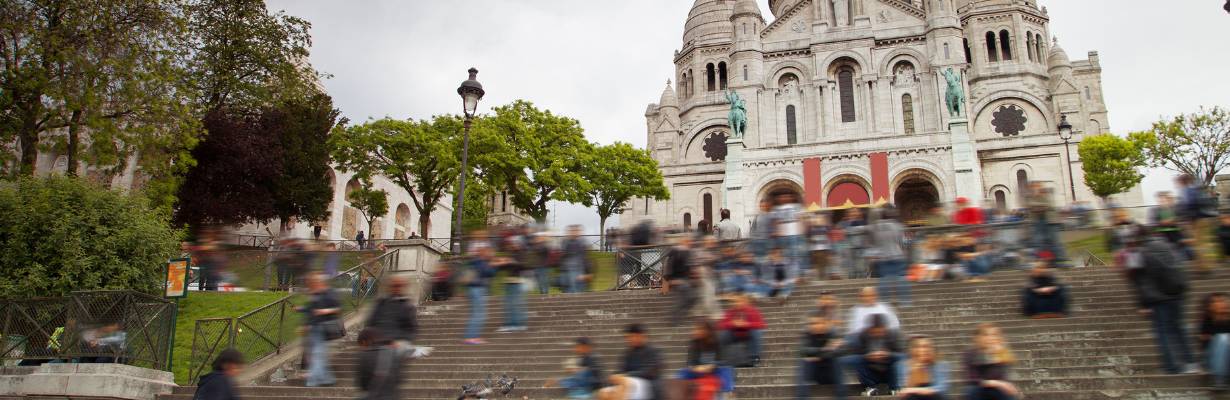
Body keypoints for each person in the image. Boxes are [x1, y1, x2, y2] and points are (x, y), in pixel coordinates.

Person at [1133, 228, 1199, 374]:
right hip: (1177, 293)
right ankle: (1190, 361)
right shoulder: (1169, 246)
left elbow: (1140, 281)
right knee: (1180, 328)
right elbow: (1181, 267)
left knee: (1162, 332)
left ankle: (1172, 366)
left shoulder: (1140, 253)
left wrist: (1143, 304)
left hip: (1158, 298)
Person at [839, 314, 903, 396]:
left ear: (885, 328)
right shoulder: (862, 335)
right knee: (855, 359)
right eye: (874, 332)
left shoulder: (892, 335)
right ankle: (871, 388)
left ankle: (894, 388)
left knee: (898, 359)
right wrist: (867, 356)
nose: (877, 334)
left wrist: (888, 354)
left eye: (880, 331)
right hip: (870, 371)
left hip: (889, 371)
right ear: (870, 329)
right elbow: (856, 354)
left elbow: (902, 355)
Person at [300, 272, 341, 387]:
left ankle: (313, 380)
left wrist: (324, 311)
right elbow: (311, 311)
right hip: (315, 327)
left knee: (318, 353)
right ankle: (327, 379)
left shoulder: (329, 293)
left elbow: (337, 309)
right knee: (318, 354)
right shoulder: (315, 294)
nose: (313, 285)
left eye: (315, 282)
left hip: (323, 326)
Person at [867, 205, 910, 306]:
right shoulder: (897, 226)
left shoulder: (875, 227)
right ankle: (905, 302)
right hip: (897, 255)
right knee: (901, 279)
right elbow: (903, 242)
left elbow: (872, 241)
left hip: (883, 256)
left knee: (884, 280)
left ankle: (884, 303)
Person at [964, 324, 1020, 400]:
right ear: (979, 337)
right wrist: (995, 383)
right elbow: (973, 379)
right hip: (978, 388)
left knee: (1008, 393)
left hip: (997, 388)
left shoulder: (1002, 352)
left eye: (994, 334)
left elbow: (1002, 377)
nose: (990, 338)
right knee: (971, 390)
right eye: (986, 335)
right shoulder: (971, 353)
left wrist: (998, 355)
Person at [365, 276, 419, 355]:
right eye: (394, 286)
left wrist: (401, 341)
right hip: (378, 343)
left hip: (397, 344)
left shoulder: (408, 306)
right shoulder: (381, 303)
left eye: (399, 286)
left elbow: (411, 329)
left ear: (404, 287)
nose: (396, 288)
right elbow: (371, 322)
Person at [796, 316, 846, 399]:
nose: (815, 326)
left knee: (836, 359)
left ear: (825, 324)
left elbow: (841, 351)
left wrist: (818, 355)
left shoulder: (832, 333)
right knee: (804, 360)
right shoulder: (807, 334)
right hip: (816, 375)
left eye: (819, 323)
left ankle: (841, 397)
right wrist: (825, 350)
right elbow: (803, 350)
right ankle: (802, 397)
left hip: (832, 374)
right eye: (812, 323)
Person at [680, 320, 729, 400]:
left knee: (725, 371)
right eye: (695, 329)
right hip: (698, 371)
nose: (695, 331)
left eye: (699, 329)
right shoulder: (694, 342)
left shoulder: (718, 341)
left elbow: (723, 360)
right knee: (682, 373)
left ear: (708, 331)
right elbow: (690, 362)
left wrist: (711, 366)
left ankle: (724, 395)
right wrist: (695, 368)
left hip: (714, 370)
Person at [463, 246, 498, 345]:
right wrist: (494, 265)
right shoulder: (481, 263)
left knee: (476, 314)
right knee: (479, 314)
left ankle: (472, 336)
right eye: (490, 253)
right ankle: (471, 337)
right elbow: (489, 273)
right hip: (478, 289)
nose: (491, 255)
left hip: (473, 289)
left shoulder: (474, 262)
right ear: (483, 253)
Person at [719, 294, 766, 367]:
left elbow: (761, 325)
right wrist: (732, 323)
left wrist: (746, 324)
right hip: (734, 333)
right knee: (723, 334)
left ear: (744, 302)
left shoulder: (752, 310)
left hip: (748, 333)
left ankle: (754, 358)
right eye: (734, 302)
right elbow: (721, 325)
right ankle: (721, 359)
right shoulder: (729, 312)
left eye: (739, 301)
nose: (736, 303)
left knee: (756, 332)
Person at [1025, 183, 1067, 265]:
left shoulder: (1046, 195)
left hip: (1050, 221)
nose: (1034, 190)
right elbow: (1030, 206)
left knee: (1054, 241)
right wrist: (1039, 206)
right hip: (1038, 222)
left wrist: (1039, 206)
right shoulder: (1031, 198)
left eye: (1036, 188)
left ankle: (1059, 258)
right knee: (1040, 242)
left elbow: (1049, 206)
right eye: (1033, 189)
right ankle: (1044, 260)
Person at [896, 335, 950, 400]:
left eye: (927, 346)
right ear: (913, 349)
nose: (924, 350)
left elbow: (941, 388)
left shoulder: (941, 365)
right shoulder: (902, 365)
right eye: (920, 347)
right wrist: (914, 372)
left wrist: (914, 390)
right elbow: (903, 392)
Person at [356, 328, 401, 400]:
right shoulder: (393, 352)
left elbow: (362, 383)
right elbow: (399, 378)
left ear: (364, 342)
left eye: (361, 345)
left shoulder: (363, 355)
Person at [620, 324, 662, 400]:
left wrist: (627, 375)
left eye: (634, 336)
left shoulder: (653, 351)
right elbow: (621, 370)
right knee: (605, 392)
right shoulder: (627, 353)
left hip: (649, 385)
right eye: (629, 337)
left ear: (643, 336)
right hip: (629, 383)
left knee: (625, 384)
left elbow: (650, 372)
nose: (631, 339)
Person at [663, 235, 698, 325]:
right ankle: (674, 318)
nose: (690, 244)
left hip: (684, 279)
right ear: (683, 242)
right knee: (684, 299)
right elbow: (669, 266)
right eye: (688, 242)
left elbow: (688, 267)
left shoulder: (687, 252)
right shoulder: (676, 251)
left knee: (691, 298)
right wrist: (670, 280)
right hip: (677, 280)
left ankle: (677, 316)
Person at [1200, 293, 1230, 390]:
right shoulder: (1207, 321)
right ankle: (1219, 380)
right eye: (1216, 301)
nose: (1221, 304)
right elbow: (1204, 346)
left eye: (1222, 301)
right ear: (1210, 306)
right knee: (1223, 338)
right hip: (1212, 361)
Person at [499, 241, 530, 332]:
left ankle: (519, 324)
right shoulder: (510, 254)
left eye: (515, 243)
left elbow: (524, 266)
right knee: (508, 304)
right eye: (511, 244)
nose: (512, 245)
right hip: (509, 281)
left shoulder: (522, 254)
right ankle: (509, 324)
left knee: (517, 304)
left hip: (518, 282)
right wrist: (502, 263)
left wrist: (512, 261)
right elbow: (503, 268)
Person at [562, 225, 591, 293]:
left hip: (579, 268)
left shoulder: (582, 242)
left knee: (578, 287)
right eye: (572, 231)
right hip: (570, 268)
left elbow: (584, 256)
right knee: (572, 287)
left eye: (576, 231)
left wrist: (587, 270)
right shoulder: (566, 242)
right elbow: (564, 255)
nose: (574, 233)